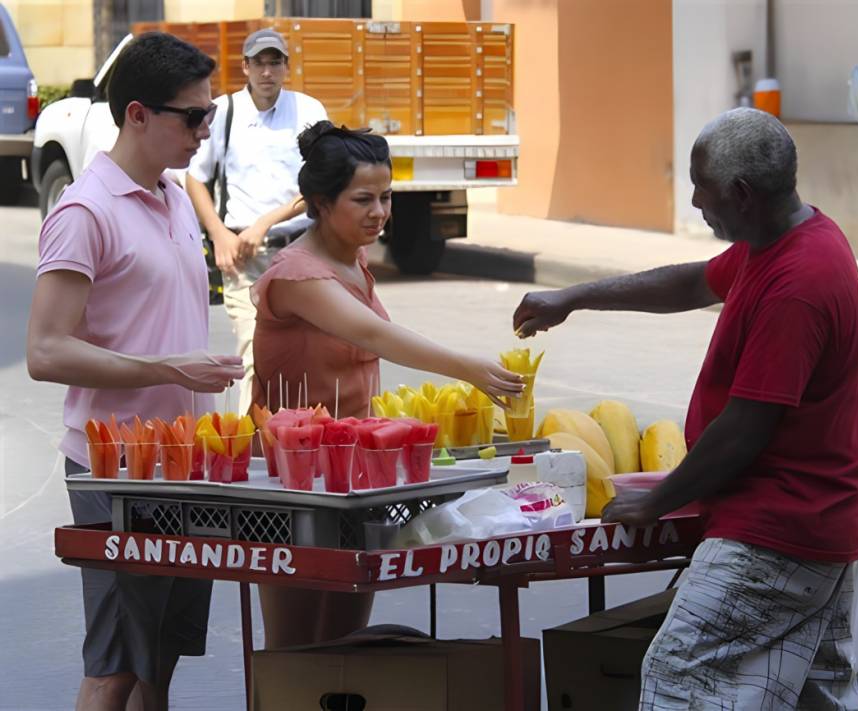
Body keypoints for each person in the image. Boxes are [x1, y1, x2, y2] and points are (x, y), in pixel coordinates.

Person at [512, 108, 858, 710]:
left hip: (780, 528)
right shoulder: (777, 239)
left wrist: (660, 497)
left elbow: (745, 427)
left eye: (701, 186)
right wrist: (574, 297)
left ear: (741, 194)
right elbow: (690, 283)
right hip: (814, 520)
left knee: (680, 672)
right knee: (815, 692)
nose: (695, 200)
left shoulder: (799, 282)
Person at [26, 33, 244, 711]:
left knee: (160, 659)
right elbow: (45, 350)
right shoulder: (85, 211)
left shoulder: (176, 195)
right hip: (114, 467)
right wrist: (165, 366)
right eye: (193, 117)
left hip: (185, 460)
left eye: (211, 114)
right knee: (116, 665)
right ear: (138, 115)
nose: (205, 130)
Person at [249, 120, 524, 648]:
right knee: (295, 649)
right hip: (295, 482)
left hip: (356, 473)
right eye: (363, 199)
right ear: (320, 202)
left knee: (348, 640)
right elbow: (376, 334)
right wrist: (470, 368)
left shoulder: (352, 260)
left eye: (387, 197)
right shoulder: (297, 275)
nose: (379, 212)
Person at [186, 28, 329, 415]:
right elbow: (195, 178)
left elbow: (321, 182)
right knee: (257, 356)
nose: (268, 72)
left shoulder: (308, 111)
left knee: (308, 355)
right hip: (243, 258)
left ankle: (301, 444)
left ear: (287, 66)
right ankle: (251, 452)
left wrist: (265, 222)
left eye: (275, 62)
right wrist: (218, 235)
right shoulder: (224, 112)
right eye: (260, 63)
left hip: (302, 250)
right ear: (245, 67)